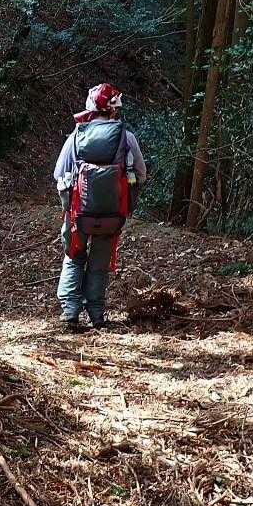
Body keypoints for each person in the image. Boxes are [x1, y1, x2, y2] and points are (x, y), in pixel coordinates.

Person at [52, 83, 147, 327]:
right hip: (112, 214)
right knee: (100, 263)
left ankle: (70, 312)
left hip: (78, 214)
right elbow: (141, 174)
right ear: (113, 109)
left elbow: (59, 173)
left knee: (74, 257)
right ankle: (96, 314)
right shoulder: (126, 137)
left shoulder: (77, 136)